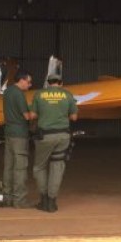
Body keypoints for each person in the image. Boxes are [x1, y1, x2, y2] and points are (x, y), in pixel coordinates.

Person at [29, 74, 78, 213]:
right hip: (63, 136)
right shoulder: (67, 95)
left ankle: (44, 200)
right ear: (61, 83)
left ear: (48, 83)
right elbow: (74, 117)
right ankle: (52, 202)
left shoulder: (39, 94)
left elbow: (32, 115)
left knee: (39, 167)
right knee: (57, 167)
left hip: (45, 136)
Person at [2, 70, 35, 208]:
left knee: (8, 167)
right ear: (21, 80)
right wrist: (35, 112)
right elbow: (27, 116)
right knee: (20, 168)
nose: (30, 85)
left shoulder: (7, 92)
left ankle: (7, 198)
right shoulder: (19, 94)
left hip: (9, 132)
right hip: (19, 134)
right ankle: (19, 200)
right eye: (29, 82)